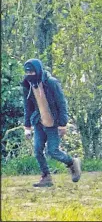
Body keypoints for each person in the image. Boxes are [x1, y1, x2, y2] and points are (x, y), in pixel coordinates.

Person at [23, 58, 82, 187]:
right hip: (38, 122)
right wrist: (27, 126)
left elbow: (62, 103)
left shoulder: (51, 83)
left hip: (53, 122)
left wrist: (63, 124)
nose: (30, 75)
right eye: (27, 72)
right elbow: (27, 106)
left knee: (53, 151)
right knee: (38, 150)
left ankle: (72, 162)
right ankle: (46, 177)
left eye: (32, 72)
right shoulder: (27, 84)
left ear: (38, 71)